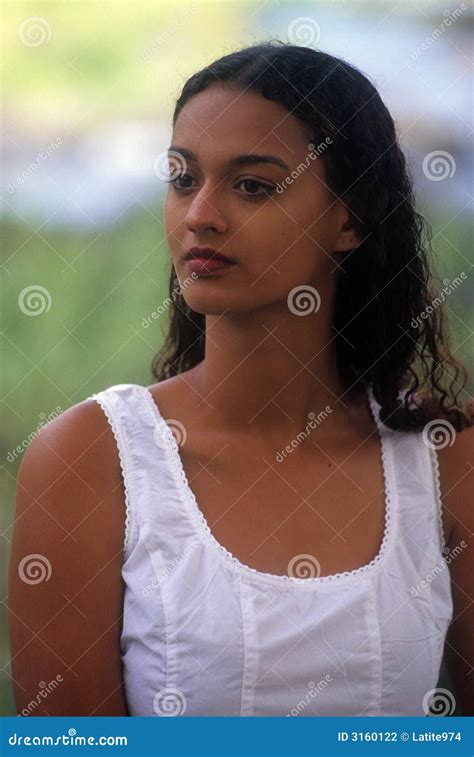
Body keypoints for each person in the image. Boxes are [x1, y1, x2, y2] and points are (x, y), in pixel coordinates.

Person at [9, 41, 473, 717]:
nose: (201, 215)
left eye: (253, 184)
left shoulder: (444, 454)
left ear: (349, 217)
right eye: (182, 178)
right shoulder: (88, 458)